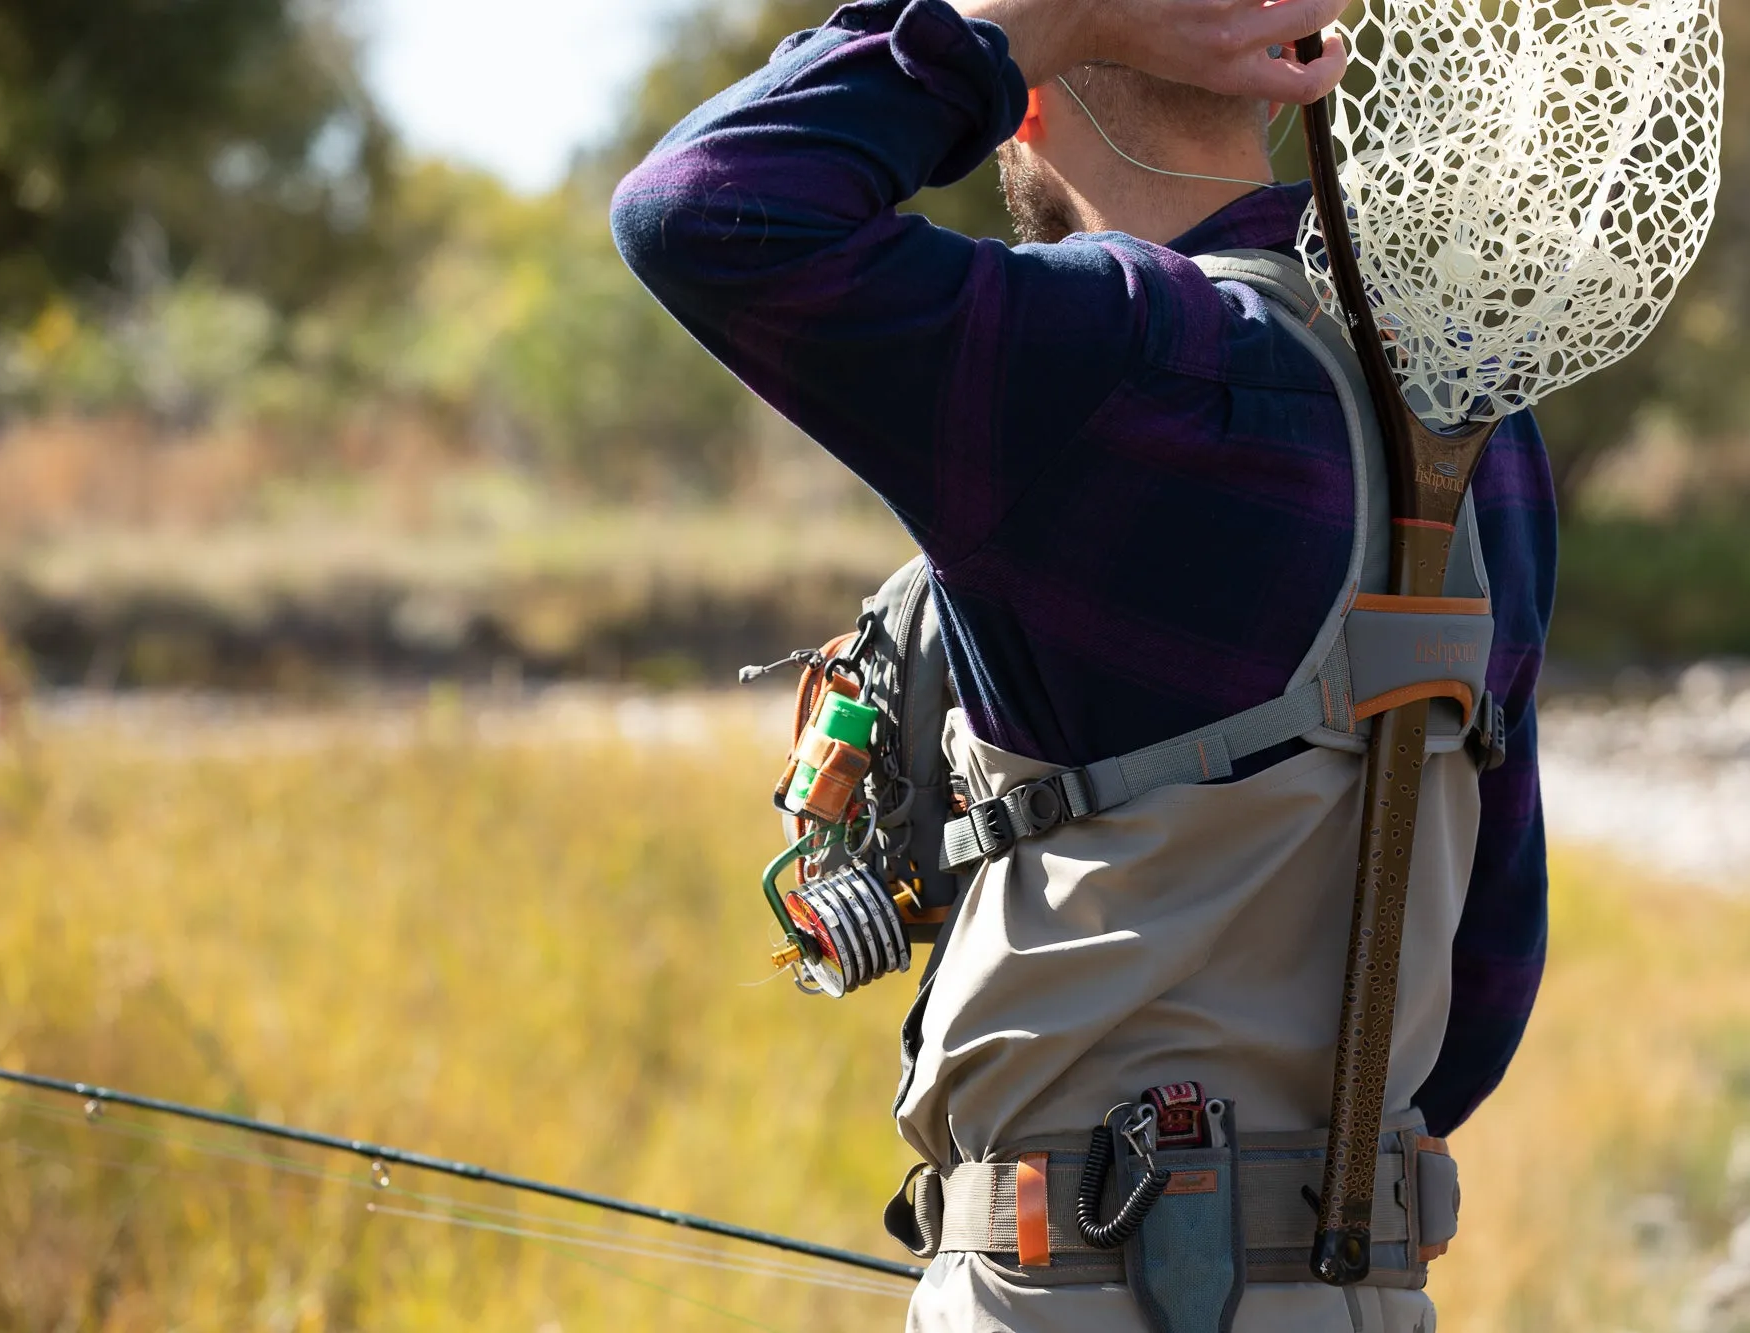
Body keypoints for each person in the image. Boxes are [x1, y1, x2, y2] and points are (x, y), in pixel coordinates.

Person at [612, 0, 1555, 1325]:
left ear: (1032, 98)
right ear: (1267, 83)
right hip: (1360, 1295)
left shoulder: (1104, 354)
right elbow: (1491, 942)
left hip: (1071, 1291)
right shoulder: (1474, 423)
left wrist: (1018, 26)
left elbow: (701, 210)